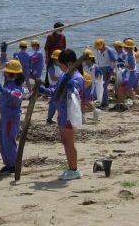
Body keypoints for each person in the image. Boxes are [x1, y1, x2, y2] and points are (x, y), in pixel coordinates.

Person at [40, 49, 85, 180]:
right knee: (65, 142)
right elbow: (56, 91)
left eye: (61, 64)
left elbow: (75, 91)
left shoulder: (77, 77)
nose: (60, 67)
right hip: (62, 113)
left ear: (70, 63)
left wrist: (70, 85)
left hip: (70, 114)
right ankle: (71, 167)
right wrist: (45, 90)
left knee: (69, 142)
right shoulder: (64, 75)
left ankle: (74, 169)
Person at [0, 60, 25, 175]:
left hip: (11, 118)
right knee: (3, 141)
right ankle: (8, 164)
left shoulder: (18, 87)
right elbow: (2, 64)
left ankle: (14, 165)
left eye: (8, 73)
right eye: (6, 73)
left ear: (15, 75)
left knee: (9, 141)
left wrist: (4, 90)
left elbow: (17, 95)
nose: (6, 74)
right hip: (5, 117)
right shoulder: (9, 82)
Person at [121, 39, 139, 106]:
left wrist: (124, 65)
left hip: (130, 74)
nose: (123, 48)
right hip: (135, 73)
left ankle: (133, 103)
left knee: (128, 88)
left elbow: (131, 67)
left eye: (124, 47)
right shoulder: (131, 53)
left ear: (127, 48)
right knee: (136, 89)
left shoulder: (130, 56)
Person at [44, 49, 63, 124]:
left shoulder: (59, 66)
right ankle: (49, 118)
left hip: (59, 85)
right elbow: (52, 77)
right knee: (53, 104)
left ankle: (56, 118)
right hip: (53, 86)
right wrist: (62, 79)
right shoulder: (51, 67)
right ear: (55, 59)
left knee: (59, 103)